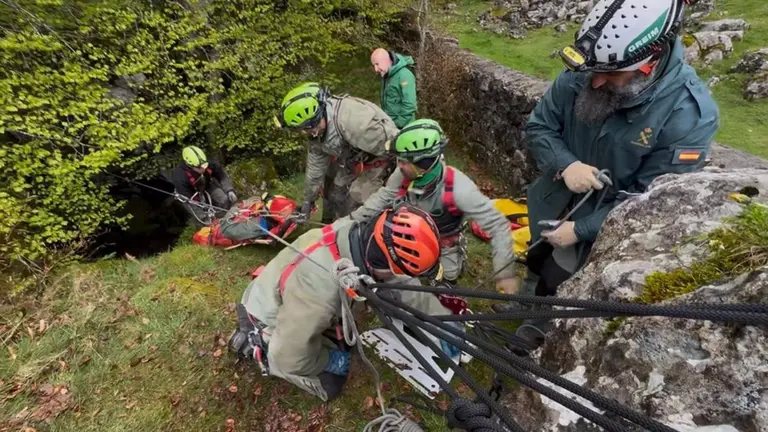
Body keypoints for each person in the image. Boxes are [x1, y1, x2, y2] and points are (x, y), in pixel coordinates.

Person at [494, 0, 720, 350]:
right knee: (538, 258)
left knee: (560, 278)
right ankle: (522, 307)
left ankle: (538, 329)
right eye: (592, 72)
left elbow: (650, 202)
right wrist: (566, 164)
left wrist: (581, 230)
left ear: (648, 62)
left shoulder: (686, 116)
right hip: (552, 201)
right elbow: (540, 125)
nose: (595, 83)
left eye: (610, 76)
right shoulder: (591, 66)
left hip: (601, 227)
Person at [227, 205, 458, 401]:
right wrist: (328, 361)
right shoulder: (320, 292)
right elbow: (288, 357)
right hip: (265, 313)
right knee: (331, 382)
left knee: (376, 302)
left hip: (292, 292)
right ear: (385, 264)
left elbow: (401, 283)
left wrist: (441, 319)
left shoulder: (357, 235)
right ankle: (254, 341)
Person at [346, 119, 519, 292]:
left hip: (444, 243)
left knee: (446, 280)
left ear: (422, 166)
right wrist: (350, 220)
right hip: (406, 233)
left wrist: (505, 274)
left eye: (403, 161)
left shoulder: (459, 189)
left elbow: (498, 226)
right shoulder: (404, 173)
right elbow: (383, 197)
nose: (398, 165)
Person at [275, 82, 399, 223]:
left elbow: (398, 146)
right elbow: (315, 170)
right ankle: (332, 224)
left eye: (306, 129)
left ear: (315, 119)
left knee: (355, 199)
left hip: (382, 156)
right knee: (335, 192)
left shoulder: (355, 121)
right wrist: (307, 202)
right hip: (354, 157)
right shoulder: (317, 133)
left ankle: (358, 230)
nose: (305, 133)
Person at [170, 145, 237, 226]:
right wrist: (203, 210)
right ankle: (209, 226)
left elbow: (222, 176)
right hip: (190, 195)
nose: (203, 169)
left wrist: (229, 190)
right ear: (190, 166)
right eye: (199, 167)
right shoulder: (180, 178)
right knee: (204, 217)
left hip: (207, 184)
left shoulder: (209, 163)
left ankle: (225, 218)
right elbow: (190, 201)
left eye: (204, 165)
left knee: (224, 200)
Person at [371, 48, 418, 128]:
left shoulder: (404, 75)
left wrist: (397, 124)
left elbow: (410, 105)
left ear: (385, 60)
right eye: (374, 65)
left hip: (401, 128)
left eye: (377, 64)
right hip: (389, 125)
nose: (376, 69)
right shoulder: (387, 75)